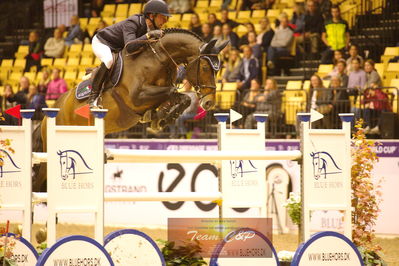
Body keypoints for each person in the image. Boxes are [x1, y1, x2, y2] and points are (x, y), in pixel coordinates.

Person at [89, 0, 171, 108]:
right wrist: (149, 35)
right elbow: (130, 47)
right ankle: (93, 97)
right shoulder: (132, 22)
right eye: (163, 17)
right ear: (152, 16)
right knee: (109, 60)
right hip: (103, 42)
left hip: (118, 47)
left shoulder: (152, 29)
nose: (165, 21)